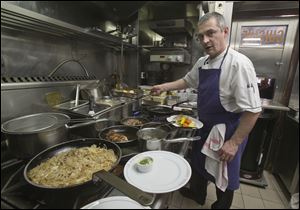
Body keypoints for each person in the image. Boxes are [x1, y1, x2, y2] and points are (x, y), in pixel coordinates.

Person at [151, 12, 262, 209]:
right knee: (200, 163)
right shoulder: (203, 62)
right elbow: (187, 81)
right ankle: (197, 194)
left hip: (228, 131)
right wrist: (164, 87)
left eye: (211, 33)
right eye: (201, 36)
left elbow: (253, 111)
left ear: (225, 32)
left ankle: (221, 206)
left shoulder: (239, 64)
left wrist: (234, 143)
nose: (205, 40)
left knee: (224, 174)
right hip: (205, 126)